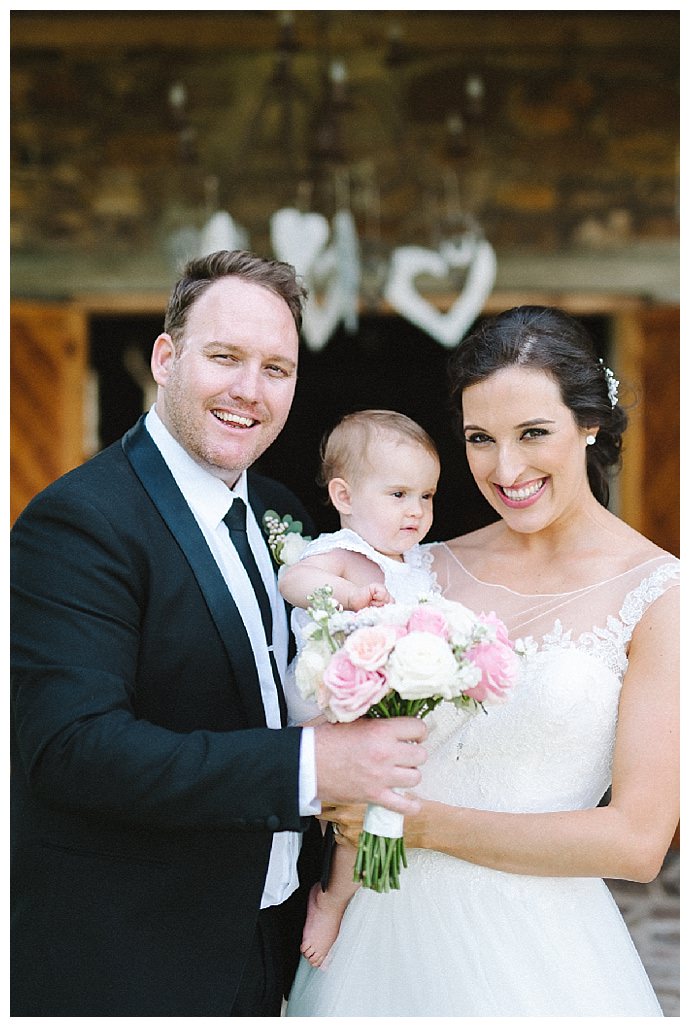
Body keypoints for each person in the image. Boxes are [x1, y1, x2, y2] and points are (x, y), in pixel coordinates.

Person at [10, 249, 429, 1017]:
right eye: (225, 357)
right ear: (167, 358)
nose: (249, 389)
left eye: (277, 367)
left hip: (268, 942)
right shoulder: (79, 522)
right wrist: (313, 762)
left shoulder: (284, 516)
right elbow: (72, 752)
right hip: (130, 957)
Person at [286, 305, 679, 1017]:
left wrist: (424, 825)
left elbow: (637, 840)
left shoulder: (661, 594)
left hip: (538, 957)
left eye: (533, 433)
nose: (506, 467)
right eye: (480, 438)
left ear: (588, 423)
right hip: (377, 934)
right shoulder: (416, 566)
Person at [278, 409, 442, 967]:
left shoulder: (416, 562)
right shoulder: (346, 552)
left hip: (379, 700)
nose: (415, 511)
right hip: (329, 698)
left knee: (381, 798)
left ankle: (353, 889)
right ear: (345, 495)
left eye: (425, 495)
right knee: (364, 800)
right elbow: (293, 580)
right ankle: (332, 898)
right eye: (398, 494)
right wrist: (346, 595)